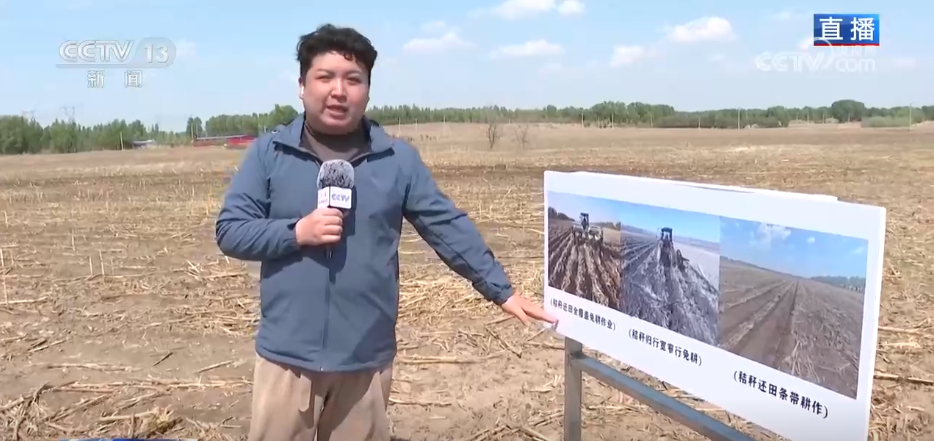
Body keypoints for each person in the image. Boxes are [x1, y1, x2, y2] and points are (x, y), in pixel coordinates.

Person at [215, 24, 558, 441]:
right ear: (302, 86)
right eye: (325, 77)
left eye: (353, 79)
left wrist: (501, 290)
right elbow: (231, 230)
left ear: (368, 90)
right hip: (287, 360)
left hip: (365, 361)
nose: (338, 91)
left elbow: (445, 225)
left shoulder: (397, 159)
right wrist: (297, 231)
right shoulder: (269, 154)